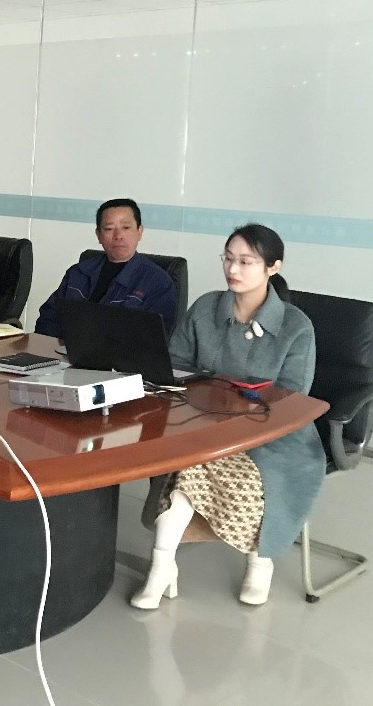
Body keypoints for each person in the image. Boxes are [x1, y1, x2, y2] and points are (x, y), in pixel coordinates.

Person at [131, 224, 321, 609]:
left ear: (273, 267)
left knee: (200, 470)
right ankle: (162, 567)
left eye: (246, 262)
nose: (233, 269)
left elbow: (289, 399)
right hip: (201, 421)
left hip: (273, 435)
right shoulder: (206, 308)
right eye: (228, 259)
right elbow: (175, 364)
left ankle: (260, 560)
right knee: (185, 466)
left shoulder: (295, 327)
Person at [34, 197, 176, 339]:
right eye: (109, 229)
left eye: (126, 228)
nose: (118, 236)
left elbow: (152, 340)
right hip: (66, 350)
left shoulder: (158, 282)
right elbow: (48, 319)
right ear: (98, 235)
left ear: (140, 231)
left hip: (120, 353)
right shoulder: (78, 273)